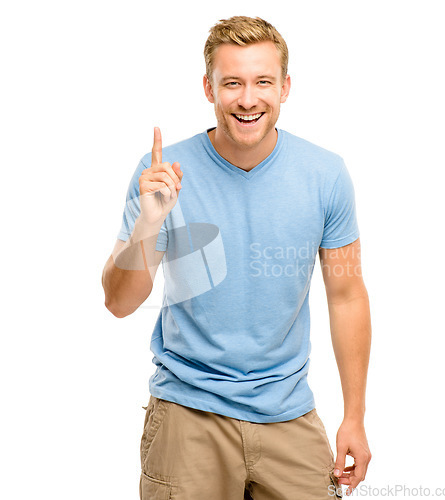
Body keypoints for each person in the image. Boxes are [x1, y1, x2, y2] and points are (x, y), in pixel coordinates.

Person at [102, 15, 372, 500]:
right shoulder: (161, 174)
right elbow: (119, 302)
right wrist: (149, 222)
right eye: (232, 83)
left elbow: (347, 296)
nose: (248, 99)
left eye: (262, 81)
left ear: (285, 87)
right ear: (208, 88)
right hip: (188, 415)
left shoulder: (326, 175)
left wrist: (354, 416)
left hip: (288, 414)